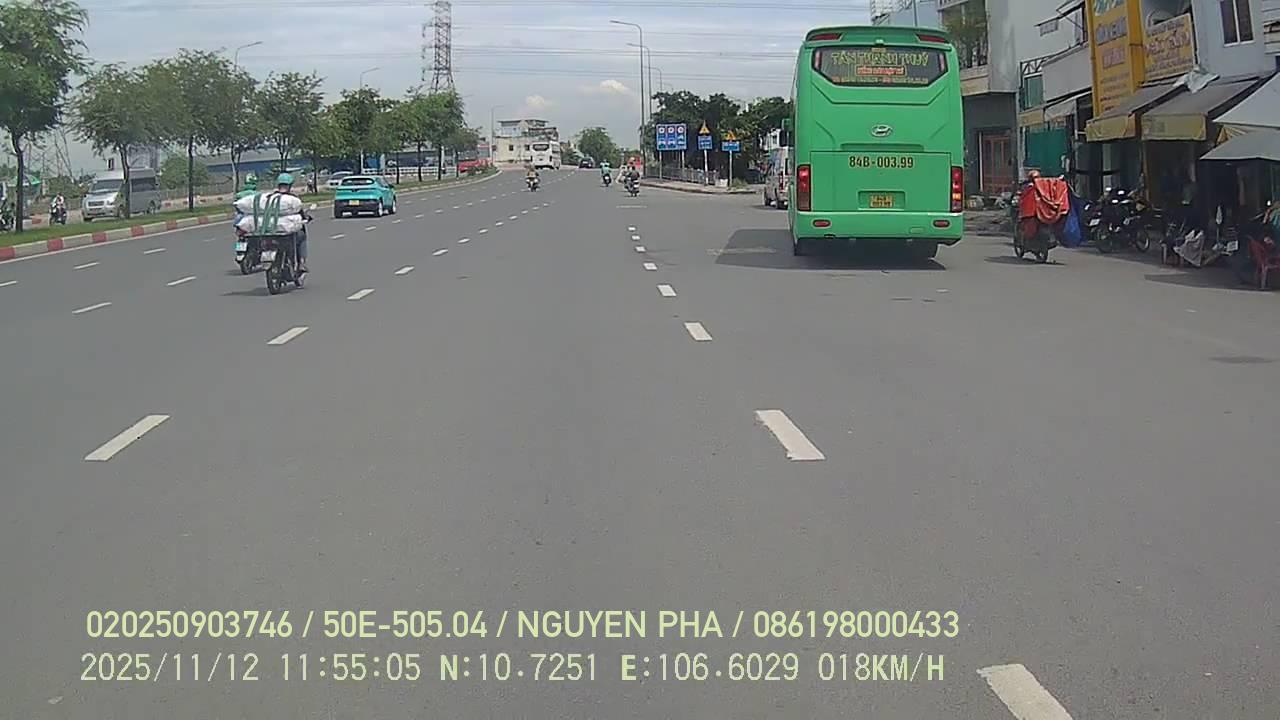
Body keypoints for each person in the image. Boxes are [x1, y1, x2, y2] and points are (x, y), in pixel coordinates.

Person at [272, 173, 310, 273]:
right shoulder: (293, 199)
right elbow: (300, 212)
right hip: (287, 232)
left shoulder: (271, 197)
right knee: (302, 236)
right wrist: (305, 217)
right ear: (290, 185)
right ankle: (301, 263)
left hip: (271, 230)